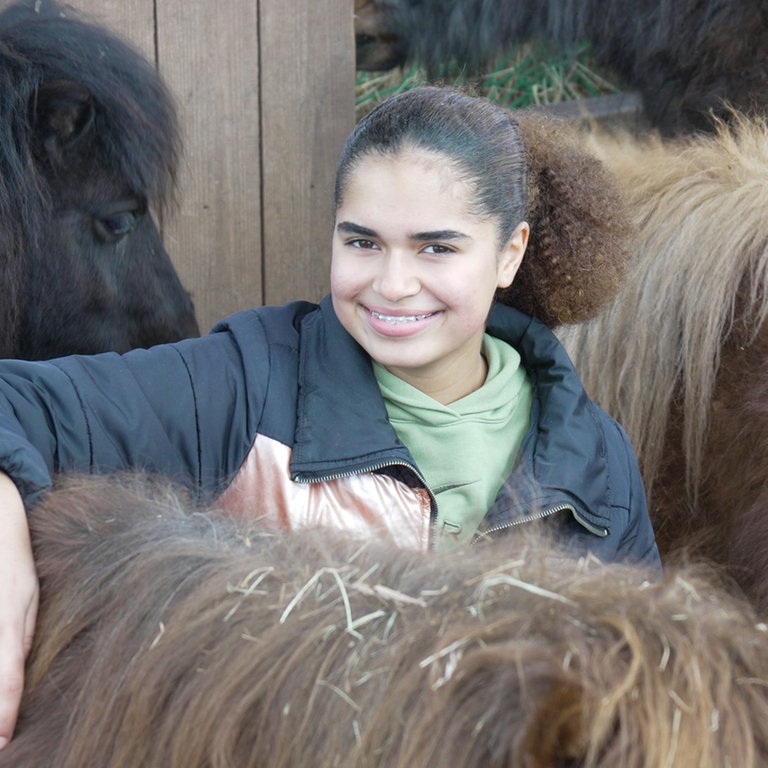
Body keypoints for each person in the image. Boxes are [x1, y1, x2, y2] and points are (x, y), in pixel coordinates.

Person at [0, 85, 659, 747]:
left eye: (436, 249)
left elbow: (643, 698)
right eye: (363, 242)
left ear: (509, 254)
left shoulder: (594, 461)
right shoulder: (245, 384)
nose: (393, 283)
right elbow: (15, 405)